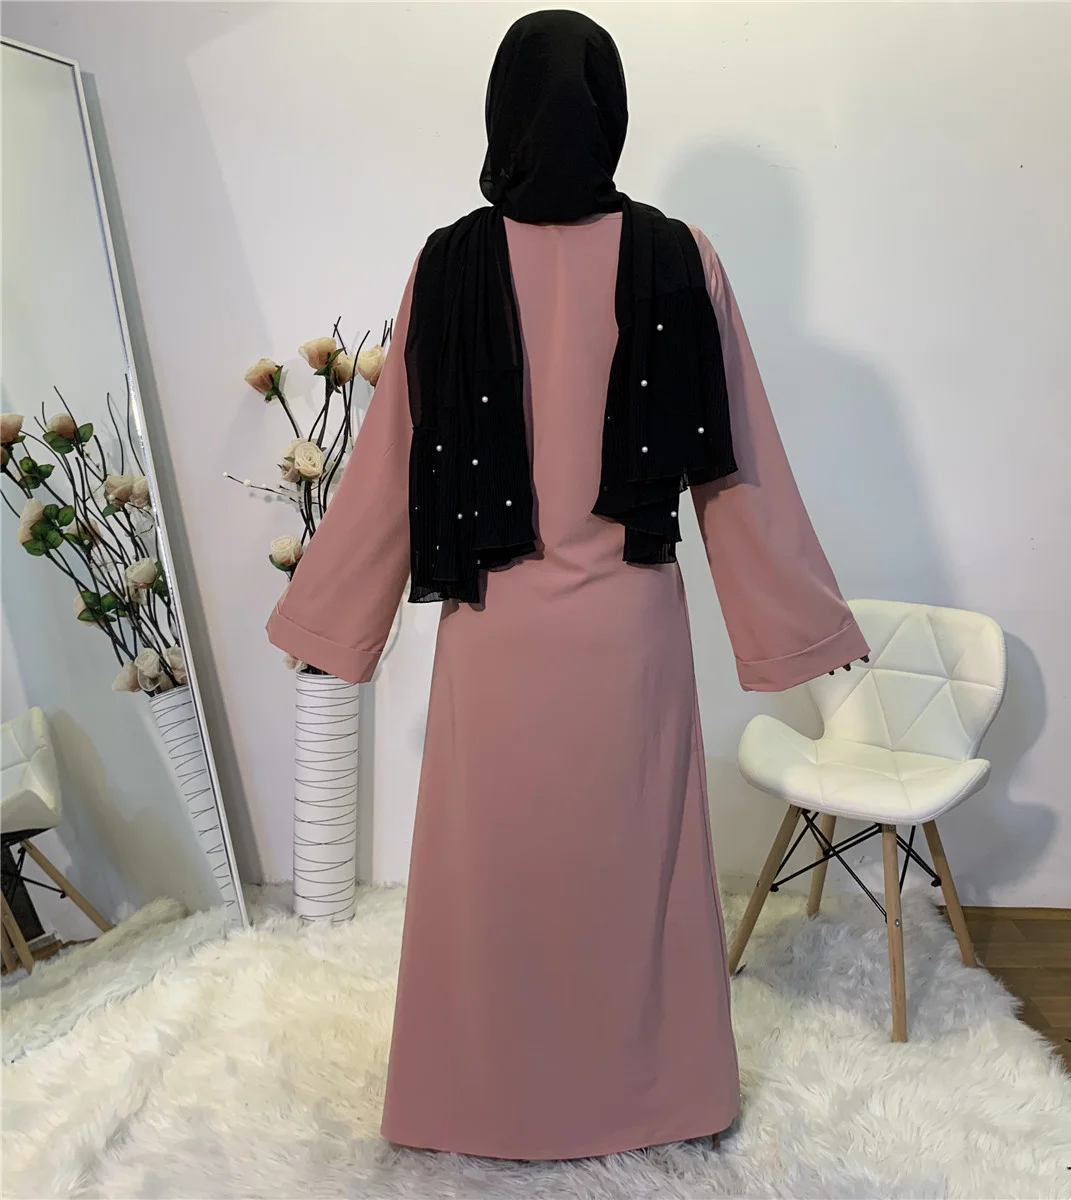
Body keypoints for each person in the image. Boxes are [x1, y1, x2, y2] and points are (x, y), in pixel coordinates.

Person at [267, 8, 868, 1161]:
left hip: (494, 633)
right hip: (630, 637)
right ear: (612, 110)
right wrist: (800, 632)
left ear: (501, 110)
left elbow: (390, 460)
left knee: (490, 886)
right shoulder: (680, 255)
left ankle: (476, 1103)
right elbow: (736, 464)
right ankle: (662, 1098)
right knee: (633, 885)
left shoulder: (447, 261)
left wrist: (333, 623)